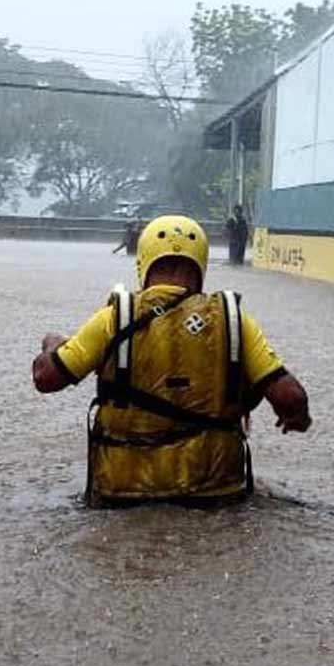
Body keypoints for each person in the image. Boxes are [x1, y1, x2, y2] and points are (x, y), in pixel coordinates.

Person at [32, 215, 311, 507]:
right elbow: (291, 397)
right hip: (216, 492)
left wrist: (53, 345)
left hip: (124, 494)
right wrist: (296, 418)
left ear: (144, 261)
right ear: (200, 265)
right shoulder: (234, 321)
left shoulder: (114, 318)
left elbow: (46, 379)